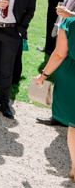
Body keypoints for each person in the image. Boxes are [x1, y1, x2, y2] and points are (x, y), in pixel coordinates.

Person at [35, 13, 75, 179]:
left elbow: (59, 54)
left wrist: (43, 75)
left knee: (74, 126)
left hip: (71, 79)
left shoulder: (70, 23)